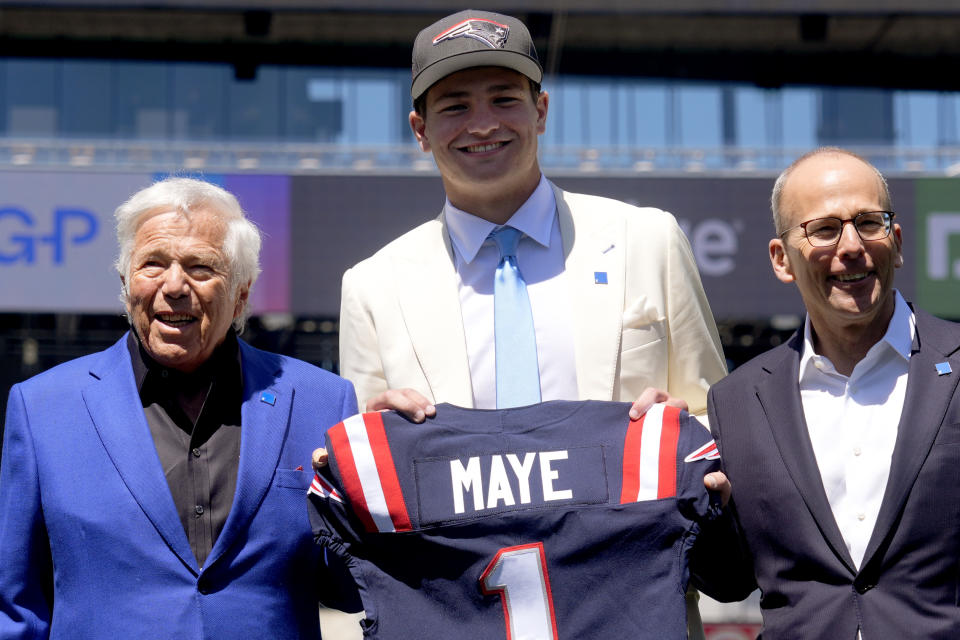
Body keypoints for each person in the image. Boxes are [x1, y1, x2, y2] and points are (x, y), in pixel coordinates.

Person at [333, 9, 737, 638]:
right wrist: (375, 437)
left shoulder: (647, 240)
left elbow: (720, 423)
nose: (484, 124)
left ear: (541, 111)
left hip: (628, 614)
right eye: (455, 106)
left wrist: (685, 435)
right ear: (420, 129)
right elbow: (366, 495)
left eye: (504, 99)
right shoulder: (372, 286)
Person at [0, 178, 359, 639]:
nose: (174, 286)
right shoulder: (42, 408)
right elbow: (16, 608)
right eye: (153, 264)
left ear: (242, 293)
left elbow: (350, 586)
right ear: (126, 281)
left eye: (200, 267)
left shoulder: (320, 401)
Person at [708, 148, 960, 638]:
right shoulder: (736, 402)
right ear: (782, 260)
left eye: (869, 222)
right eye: (824, 230)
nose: (851, 246)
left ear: (898, 242)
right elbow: (729, 580)